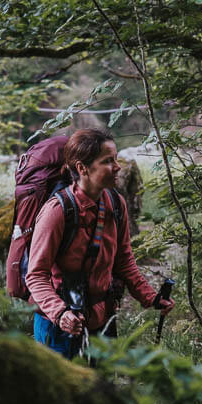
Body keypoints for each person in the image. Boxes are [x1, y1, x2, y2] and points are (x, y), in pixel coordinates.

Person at [25, 128, 174, 358]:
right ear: (82, 168)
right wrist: (60, 313)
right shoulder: (57, 212)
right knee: (62, 393)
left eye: (115, 158)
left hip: (102, 321)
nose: (117, 166)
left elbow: (123, 260)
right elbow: (35, 275)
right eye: (107, 161)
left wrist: (151, 297)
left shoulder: (116, 203)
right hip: (58, 326)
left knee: (102, 391)